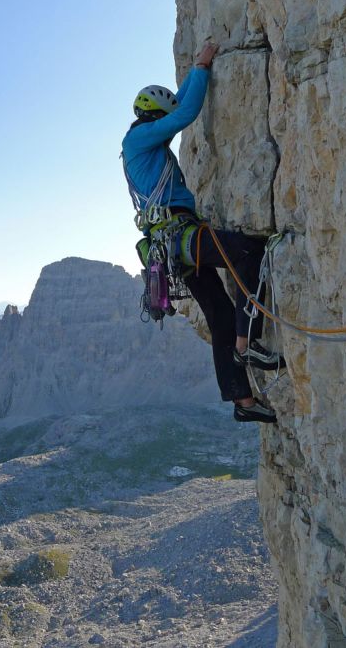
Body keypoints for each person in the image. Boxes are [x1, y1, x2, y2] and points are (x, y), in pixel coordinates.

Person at [121, 40, 284, 423]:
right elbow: (184, 113)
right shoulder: (139, 138)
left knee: (219, 317)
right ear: (153, 116)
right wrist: (201, 67)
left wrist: (190, 80)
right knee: (247, 252)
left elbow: (174, 109)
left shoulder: (139, 142)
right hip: (181, 237)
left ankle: (242, 401)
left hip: (172, 247)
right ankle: (247, 344)